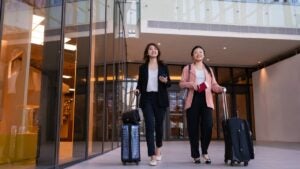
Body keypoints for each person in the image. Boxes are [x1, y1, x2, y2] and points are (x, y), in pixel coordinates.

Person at [179, 45, 225, 164]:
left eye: (200, 52)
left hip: (206, 100)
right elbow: (181, 84)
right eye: (195, 52)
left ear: (204, 55)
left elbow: (213, 85)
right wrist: (191, 84)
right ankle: (195, 154)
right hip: (193, 99)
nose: (198, 54)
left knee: (208, 126)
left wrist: (221, 88)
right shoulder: (187, 68)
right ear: (192, 56)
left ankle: (205, 151)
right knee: (193, 128)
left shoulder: (209, 70)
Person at [135, 43, 171, 166]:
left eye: (155, 49)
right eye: (150, 49)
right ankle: (152, 155)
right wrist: (137, 89)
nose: (153, 50)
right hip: (147, 98)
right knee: (150, 126)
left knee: (159, 126)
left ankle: (158, 149)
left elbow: (169, 83)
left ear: (158, 52)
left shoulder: (163, 66)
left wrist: (165, 81)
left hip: (160, 98)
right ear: (147, 52)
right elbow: (140, 83)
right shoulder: (142, 67)